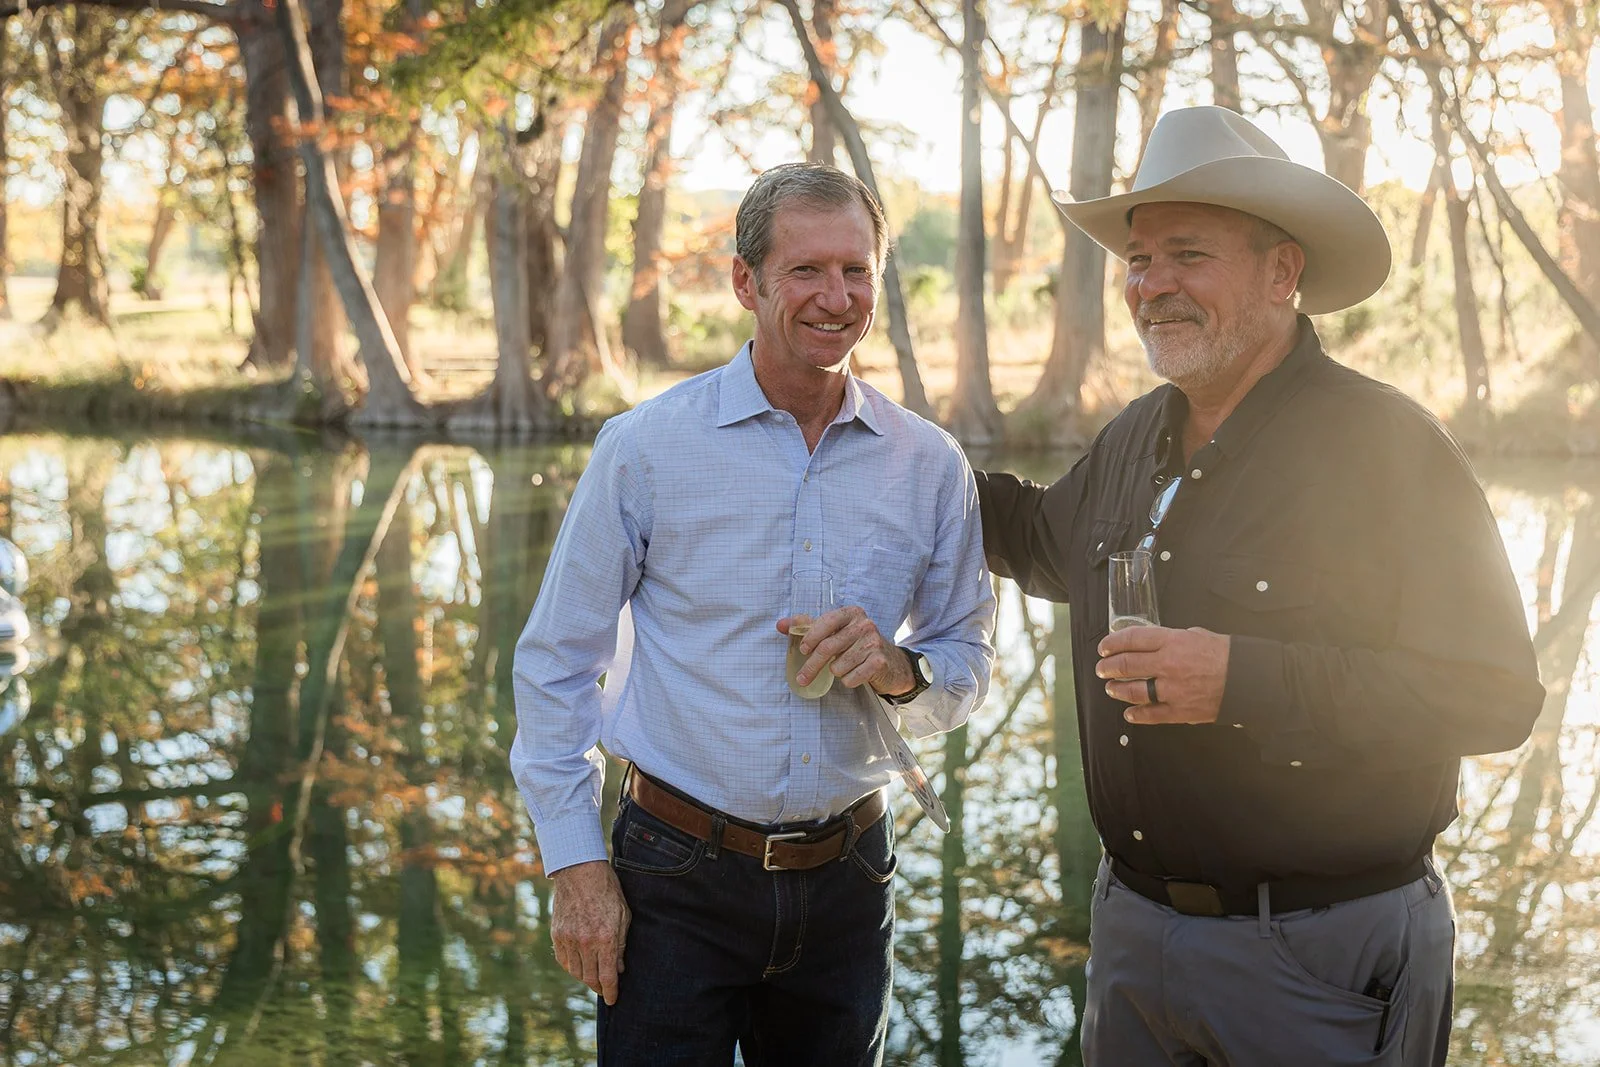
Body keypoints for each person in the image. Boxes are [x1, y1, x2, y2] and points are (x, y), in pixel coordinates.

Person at [977, 106, 1544, 1066]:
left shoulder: (1387, 447)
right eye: (1139, 260)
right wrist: (874, 439)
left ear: (1283, 272)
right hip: (1130, 939)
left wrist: (1242, 679)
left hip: (1320, 953)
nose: (1152, 285)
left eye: (1187, 255)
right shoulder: (1132, 437)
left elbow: (1492, 694)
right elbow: (1036, 538)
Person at [510, 162, 996, 1066]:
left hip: (852, 877)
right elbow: (555, 663)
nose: (835, 296)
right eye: (805, 270)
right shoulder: (646, 448)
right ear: (747, 281)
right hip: (673, 873)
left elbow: (966, 659)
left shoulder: (930, 465)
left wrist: (899, 671)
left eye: (856, 270)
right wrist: (576, 864)